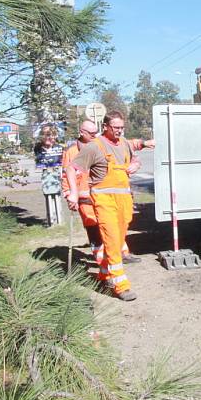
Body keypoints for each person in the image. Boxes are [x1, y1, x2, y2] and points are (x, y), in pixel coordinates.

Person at [65, 111, 140, 301]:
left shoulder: (123, 144)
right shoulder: (94, 147)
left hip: (124, 200)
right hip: (104, 201)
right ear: (105, 127)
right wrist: (73, 193)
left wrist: (135, 165)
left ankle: (104, 274)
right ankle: (121, 285)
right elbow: (70, 169)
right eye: (116, 128)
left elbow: (134, 158)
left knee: (118, 238)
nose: (119, 131)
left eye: (122, 128)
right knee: (113, 240)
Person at [61, 120, 154, 271]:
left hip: (107, 197)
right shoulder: (71, 152)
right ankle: (103, 265)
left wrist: (144, 145)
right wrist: (70, 195)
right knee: (95, 230)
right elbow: (66, 175)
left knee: (115, 227)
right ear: (81, 132)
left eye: (95, 133)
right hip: (86, 200)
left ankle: (121, 253)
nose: (94, 135)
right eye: (90, 133)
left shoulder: (102, 145)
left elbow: (129, 145)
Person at [34, 124, 64, 227]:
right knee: (48, 195)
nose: (48, 137)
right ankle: (51, 220)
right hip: (46, 175)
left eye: (51, 135)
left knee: (57, 194)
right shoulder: (38, 148)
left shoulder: (59, 148)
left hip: (56, 175)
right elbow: (39, 162)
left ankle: (59, 220)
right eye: (46, 135)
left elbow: (62, 162)